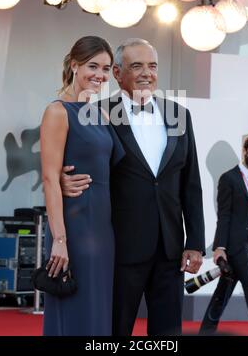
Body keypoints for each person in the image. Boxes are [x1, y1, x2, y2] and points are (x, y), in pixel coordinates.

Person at [61, 38, 205, 336]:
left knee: (168, 334)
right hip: (118, 246)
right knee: (115, 330)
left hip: (171, 249)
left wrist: (195, 242)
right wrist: (63, 179)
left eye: (152, 66)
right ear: (117, 72)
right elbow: (80, 168)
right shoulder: (97, 113)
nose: (146, 73)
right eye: (136, 66)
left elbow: (190, 183)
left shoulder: (179, 114)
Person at [40, 36, 125, 336]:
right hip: (75, 228)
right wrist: (59, 240)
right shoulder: (57, 112)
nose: (99, 75)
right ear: (74, 65)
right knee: (76, 312)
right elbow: (50, 179)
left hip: (103, 230)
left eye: (106, 68)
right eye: (93, 66)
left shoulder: (99, 113)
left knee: (98, 313)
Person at [199, 135, 248, 336]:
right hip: (234, 245)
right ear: (244, 151)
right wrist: (220, 247)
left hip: (245, 241)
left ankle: (205, 332)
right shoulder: (229, 177)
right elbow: (224, 215)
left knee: (222, 293)